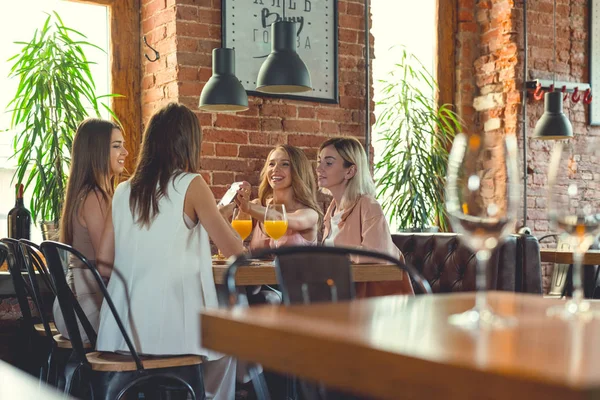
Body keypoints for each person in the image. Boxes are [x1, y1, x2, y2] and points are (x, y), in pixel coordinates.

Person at [95, 103, 245, 400]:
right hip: (174, 336)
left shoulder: (122, 191)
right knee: (235, 334)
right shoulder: (192, 184)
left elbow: (103, 263)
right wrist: (215, 216)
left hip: (119, 333)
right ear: (189, 143)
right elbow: (235, 251)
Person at [52, 118, 128, 341]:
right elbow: (108, 262)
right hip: (83, 310)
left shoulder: (91, 194)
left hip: (75, 305)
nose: (125, 151)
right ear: (96, 152)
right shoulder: (95, 197)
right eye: (116, 146)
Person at [316, 137, 414, 297]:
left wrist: (333, 256)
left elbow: (377, 254)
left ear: (350, 171)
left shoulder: (368, 205)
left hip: (373, 302)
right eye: (319, 162)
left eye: (328, 163)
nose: (319, 168)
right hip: (343, 295)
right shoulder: (333, 209)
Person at [235, 144, 322, 250]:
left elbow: (280, 218)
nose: (275, 169)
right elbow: (232, 237)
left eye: (285, 164)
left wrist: (248, 208)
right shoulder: (258, 205)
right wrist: (224, 210)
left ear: (298, 171)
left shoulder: (309, 214)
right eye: (271, 164)